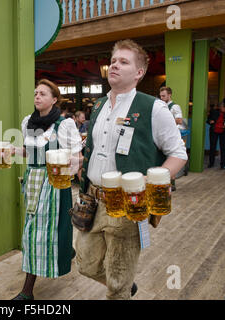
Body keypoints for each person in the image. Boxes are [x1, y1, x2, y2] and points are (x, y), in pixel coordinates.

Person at [76, 39, 187, 300]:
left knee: (117, 281)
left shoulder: (154, 108)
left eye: (123, 62)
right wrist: (80, 162)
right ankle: (124, 286)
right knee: (85, 265)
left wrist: (153, 181)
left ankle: (121, 288)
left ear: (139, 73)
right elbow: (95, 149)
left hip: (128, 205)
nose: (114, 65)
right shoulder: (99, 106)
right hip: (91, 200)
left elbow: (178, 154)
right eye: (113, 60)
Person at [11, 79, 82, 300]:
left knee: (38, 233)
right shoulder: (27, 122)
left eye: (43, 93)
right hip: (33, 181)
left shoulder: (64, 125)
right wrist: (14, 151)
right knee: (39, 230)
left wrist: (73, 173)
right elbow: (29, 152)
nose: (37, 96)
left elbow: (77, 156)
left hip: (54, 183)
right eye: (36, 93)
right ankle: (66, 250)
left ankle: (27, 291)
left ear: (54, 99)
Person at [159, 86, 186, 190]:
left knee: (171, 157)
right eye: (160, 96)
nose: (161, 98)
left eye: (163, 96)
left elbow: (179, 120)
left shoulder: (175, 107)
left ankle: (172, 183)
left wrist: (166, 123)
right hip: (163, 134)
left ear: (169, 95)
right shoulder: (161, 106)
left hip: (172, 135)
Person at [207, 99, 225, 169]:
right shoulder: (214, 112)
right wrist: (210, 121)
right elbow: (208, 120)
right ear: (221, 107)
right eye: (224, 107)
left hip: (223, 132)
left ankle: (222, 164)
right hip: (214, 131)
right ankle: (211, 163)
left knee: (223, 148)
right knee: (212, 147)